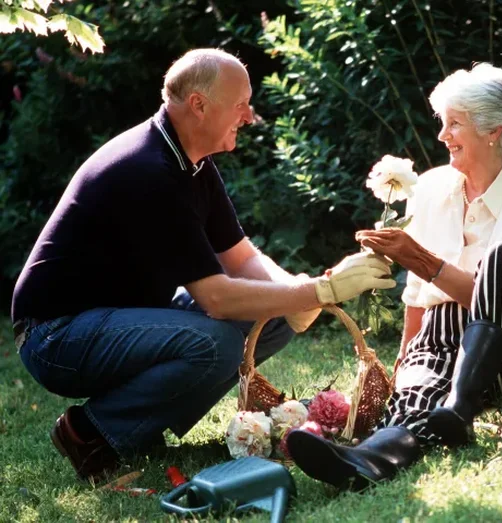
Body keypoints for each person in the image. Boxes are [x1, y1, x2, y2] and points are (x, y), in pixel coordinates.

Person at [10, 48, 395, 481]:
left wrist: (299, 291)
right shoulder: (150, 171)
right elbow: (216, 298)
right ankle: (90, 432)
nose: (249, 116)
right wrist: (322, 292)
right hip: (56, 335)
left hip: (112, 319)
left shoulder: (191, 164)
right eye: (241, 104)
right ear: (199, 104)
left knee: (275, 318)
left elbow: (241, 256)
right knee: (216, 342)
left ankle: (137, 425)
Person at [286, 63, 502, 490]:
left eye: (455, 124)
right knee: (417, 392)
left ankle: (459, 404)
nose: (442, 136)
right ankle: (368, 460)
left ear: (494, 131)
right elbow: (420, 297)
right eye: (444, 123)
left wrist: (420, 259)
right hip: (445, 333)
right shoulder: (433, 188)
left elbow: (492, 297)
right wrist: (406, 363)